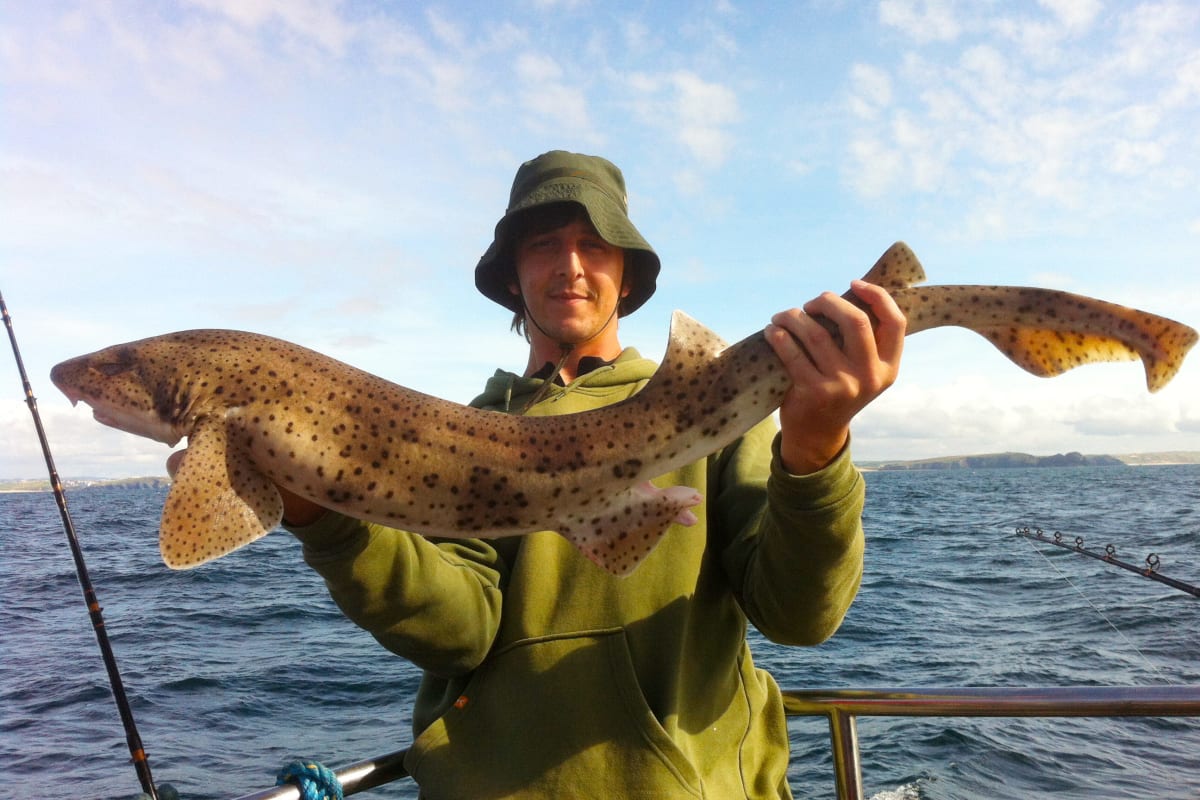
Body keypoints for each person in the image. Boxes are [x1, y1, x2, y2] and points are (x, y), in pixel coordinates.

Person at [236, 151, 904, 797]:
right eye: (544, 245)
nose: (571, 267)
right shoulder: (457, 438)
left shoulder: (715, 413)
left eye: (596, 246)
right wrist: (322, 520)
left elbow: (800, 617)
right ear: (511, 275)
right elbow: (461, 631)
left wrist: (816, 450)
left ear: (629, 275)